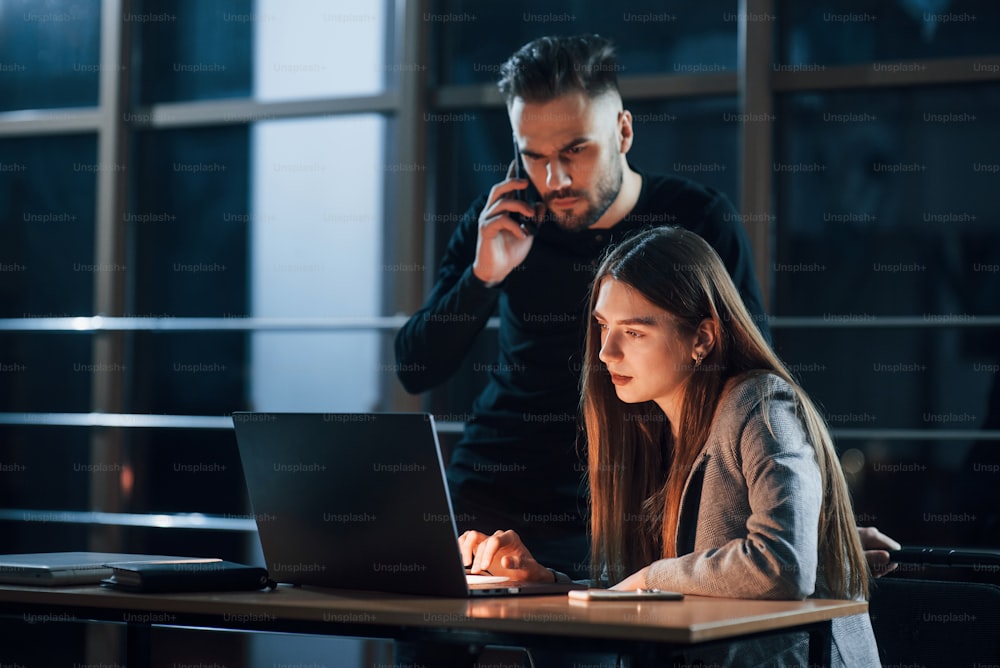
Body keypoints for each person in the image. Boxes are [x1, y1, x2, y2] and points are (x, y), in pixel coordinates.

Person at [395, 33, 768, 579]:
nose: (556, 179)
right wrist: (484, 276)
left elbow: (751, 379)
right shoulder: (503, 215)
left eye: (575, 151)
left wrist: (803, 515)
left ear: (623, 131)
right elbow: (415, 366)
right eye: (535, 157)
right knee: (418, 631)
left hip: (627, 498)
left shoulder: (695, 219)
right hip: (491, 485)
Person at [461, 226, 882, 667]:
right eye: (603, 326)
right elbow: (644, 593)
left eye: (634, 332)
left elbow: (783, 566)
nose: (606, 351)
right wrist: (546, 581)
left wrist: (648, 579)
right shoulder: (651, 428)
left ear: (701, 338)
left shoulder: (759, 404)